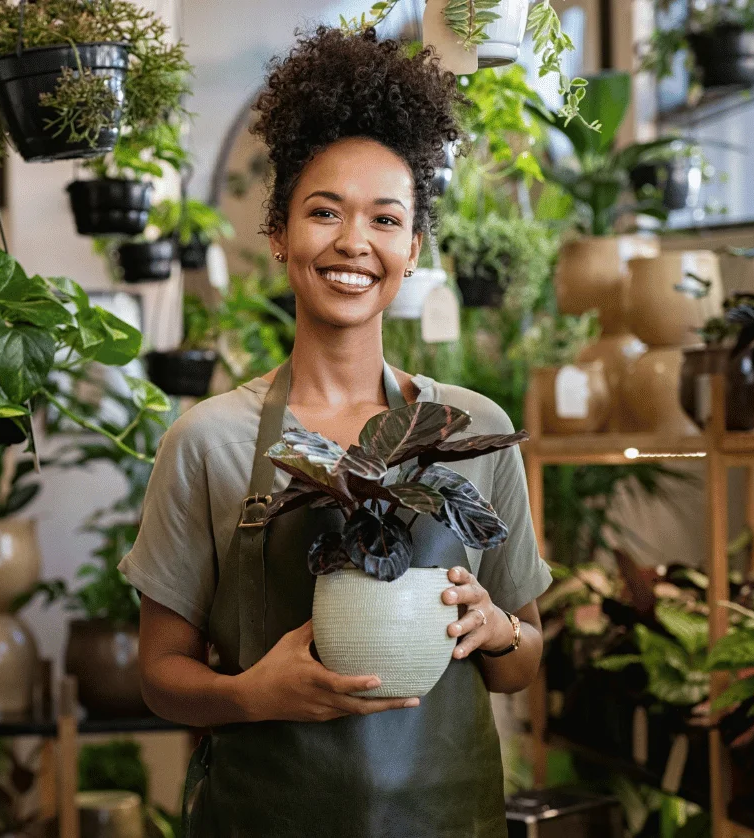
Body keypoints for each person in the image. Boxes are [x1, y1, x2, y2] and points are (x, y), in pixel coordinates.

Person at [118, 27, 552, 837]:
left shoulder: (473, 430)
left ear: (413, 249)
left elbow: (523, 665)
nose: (354, 241)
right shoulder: (209, 441)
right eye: (325, 212)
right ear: (280, 235)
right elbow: (159, 676)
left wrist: (497, 628)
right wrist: (252, 694)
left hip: (448, 820)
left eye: (385, 220)